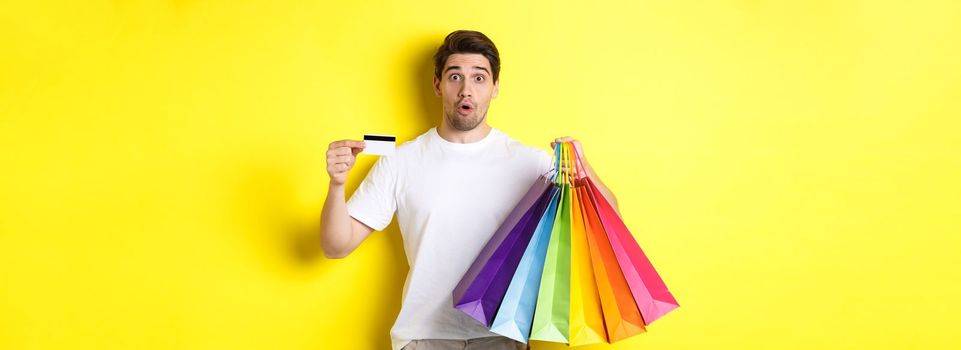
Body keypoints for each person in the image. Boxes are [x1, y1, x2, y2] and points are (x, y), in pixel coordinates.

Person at [321, 30, 619, 350]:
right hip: (424, 337)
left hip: (502, 336)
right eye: (455, 77)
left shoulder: (531, 163)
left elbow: (608, 224)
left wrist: (583, 168)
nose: (466, 90)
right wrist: (337, 185)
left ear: (495, 88)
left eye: (479, 78)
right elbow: (336, 245)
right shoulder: (400, 161)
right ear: (438, 85)